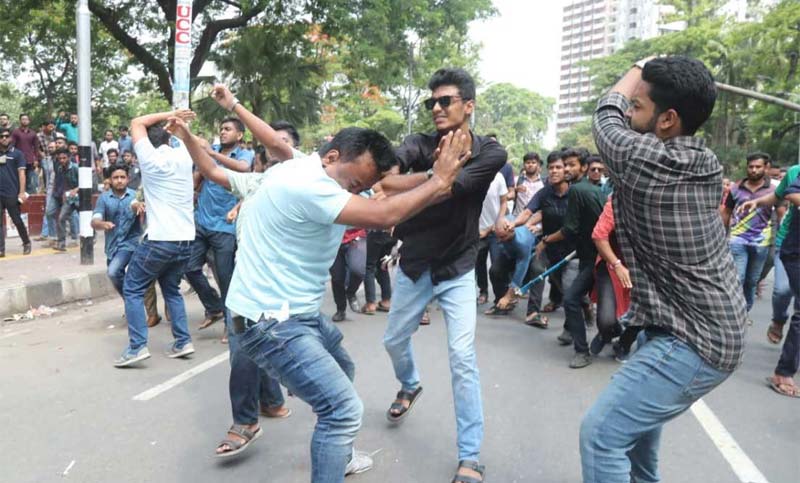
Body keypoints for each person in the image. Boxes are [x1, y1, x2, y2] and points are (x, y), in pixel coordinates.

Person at [168, 96, 471, 481]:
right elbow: (385, 213)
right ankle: (333, 455)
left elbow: (219, 166)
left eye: (362, 185)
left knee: (343, 365)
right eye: (354, 182)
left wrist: (193, 132)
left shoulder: (292, 169)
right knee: (343, 410)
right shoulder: (311, 187)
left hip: (289, 314)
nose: (356, 192)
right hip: (274, 324)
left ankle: (337, 454)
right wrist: (440, 179)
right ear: (332, 157)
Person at [580, 56, 747, 483]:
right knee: (635, 450)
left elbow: (605, 113)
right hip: (679, 325)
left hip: (696, 338)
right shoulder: (700, 160)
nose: (629, 112)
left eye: (639, 107)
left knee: (602, 436)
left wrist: (640, 65)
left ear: (668, 119)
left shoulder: (647, 160)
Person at [378, 68, 505, 483]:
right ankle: (410, 384)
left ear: (468, 105)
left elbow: (454, 188)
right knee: (393, 340)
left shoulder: (491, 153)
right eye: (431, 102)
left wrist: (422, 183)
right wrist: (430, 176)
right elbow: (386, 179)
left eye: (445, 100)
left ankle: (470, 456)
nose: (436, 108)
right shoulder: (417, 144)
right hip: (414, 264)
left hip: (458, 268)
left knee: (463, 359)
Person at [113, 109, 198, 367]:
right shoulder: (183, 154)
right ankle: (183, 341)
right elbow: (183, 137)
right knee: (171, 289)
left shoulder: (150, 159)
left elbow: (137, 121)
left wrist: (171, 113)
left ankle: (137, 347)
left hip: (161, 238)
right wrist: (176, 122)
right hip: (186, 239)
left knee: (132, 287)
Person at [185, 117, 253, 332]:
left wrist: (211, 155)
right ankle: (214, 307)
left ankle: (230, 324)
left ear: (239, 135)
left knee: (225, 277)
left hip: (225, 226)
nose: (223, 132)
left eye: (228, 129)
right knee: (189, 268)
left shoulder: (244, 154)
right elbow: (199, 175)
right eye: (221, 129)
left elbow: (243, 168)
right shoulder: (210, 149)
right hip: (201, 221)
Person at [540, 147, 604, 368]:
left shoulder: (577, 191)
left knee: (572, 299)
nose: (566, 169)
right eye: (563, 164)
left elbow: (569, 229)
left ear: (583, 168)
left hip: (596, 258)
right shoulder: (592, 189)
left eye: (571, 165)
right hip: (594, 256)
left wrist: (546, 240)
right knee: (585, 302)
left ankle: (583, 351)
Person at [738, 166, 800, 397]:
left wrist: (759, 201)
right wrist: (759, 203)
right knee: (784, 292)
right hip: (794, 249)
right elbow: (790, 194)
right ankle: (783, 373)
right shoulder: (796, 173)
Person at [507, 151, 572, 328]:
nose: (554, 171)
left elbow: (571, 228)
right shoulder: (544, 193)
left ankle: (581, 311)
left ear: (566, 170)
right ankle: (533, 313)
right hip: (547, 245)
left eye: (558, 167)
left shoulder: (576, 193)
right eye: (551, 168)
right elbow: (527, 212)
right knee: (536, 269)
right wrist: (513, 224)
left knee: (568, 287)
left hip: (571, 248)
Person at [720, 152, 780, 314]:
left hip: (761, 242)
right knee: (737, 278)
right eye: (751, 166)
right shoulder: (735, 188)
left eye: (758, 167)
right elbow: (726, 212)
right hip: (737, 240)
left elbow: (781, 213)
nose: (754, 170)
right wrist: (721, 235)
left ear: (766, 168)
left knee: (752, 281)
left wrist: (780, 238)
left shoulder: (774, 191)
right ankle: (734, 314)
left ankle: (745, 311)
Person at [587, 196, 638, 362]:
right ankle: (607, 333)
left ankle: (623, 344)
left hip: (643, 268)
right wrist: (617, 265)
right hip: (612, 264)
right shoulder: (616, 202)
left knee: (644, 314)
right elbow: (599, 235)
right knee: (606, 320)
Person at [91, 164, 142, 299]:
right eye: (116, 178)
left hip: (131, 244)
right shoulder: (104, 198)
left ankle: (131, 301)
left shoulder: (135, 195)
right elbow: (95, 220)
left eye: (122, 177)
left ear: (128, 179)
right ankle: (131, 303)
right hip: (112, 246)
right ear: (110, 180)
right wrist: (102, 224)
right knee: (115, 275)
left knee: (113, 272)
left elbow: (140, 207)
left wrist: (138, 206)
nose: (119, 180)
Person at [475, 171, 508, 307]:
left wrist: (498, 222)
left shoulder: (498, 177)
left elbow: (504, 202)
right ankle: (483, 292)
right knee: (478, 262)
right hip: (477, 231)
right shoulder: (474, 174)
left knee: (497, 266)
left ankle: (500, 298)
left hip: (496, 230)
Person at [0, 127, 31, 257]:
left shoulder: (17, 154)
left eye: (6, 136)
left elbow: (22, 173)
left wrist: (22, 192)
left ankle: (26, 243)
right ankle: (1, 249)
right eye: (1, 136)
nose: (4, 138)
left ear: (11, 138)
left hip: (12, 193)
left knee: (17, 220)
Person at [329, 227, 367, 322]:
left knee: (358, 270)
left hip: (356, 236)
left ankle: (351, 292)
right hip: (333, 241)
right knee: (337, 277)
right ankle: (340, 310)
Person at [52, 148, 79, 252]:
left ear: (69, 158)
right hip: (69, 198)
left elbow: (86, 182)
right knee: (61, 218)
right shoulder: (59, 169)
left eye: (64, 158)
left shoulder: (76, 168)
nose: (62, 160)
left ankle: (92, 236)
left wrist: (76, 189)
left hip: (80, 197)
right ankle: (61, 243)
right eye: (60, 158)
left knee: (86, 218)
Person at [11, 114, 41, 194]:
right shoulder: (15, 132)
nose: (24, 121)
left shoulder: (33, 133)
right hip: (18, 160)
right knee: (18, 180)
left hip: (30, 160)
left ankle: (29, 199)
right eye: (23, 119)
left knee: (30, 181)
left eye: (26, 119)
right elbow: (12, 146)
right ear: (20, 121)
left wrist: (36, 159)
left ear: (29, 121)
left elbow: (36, 147)